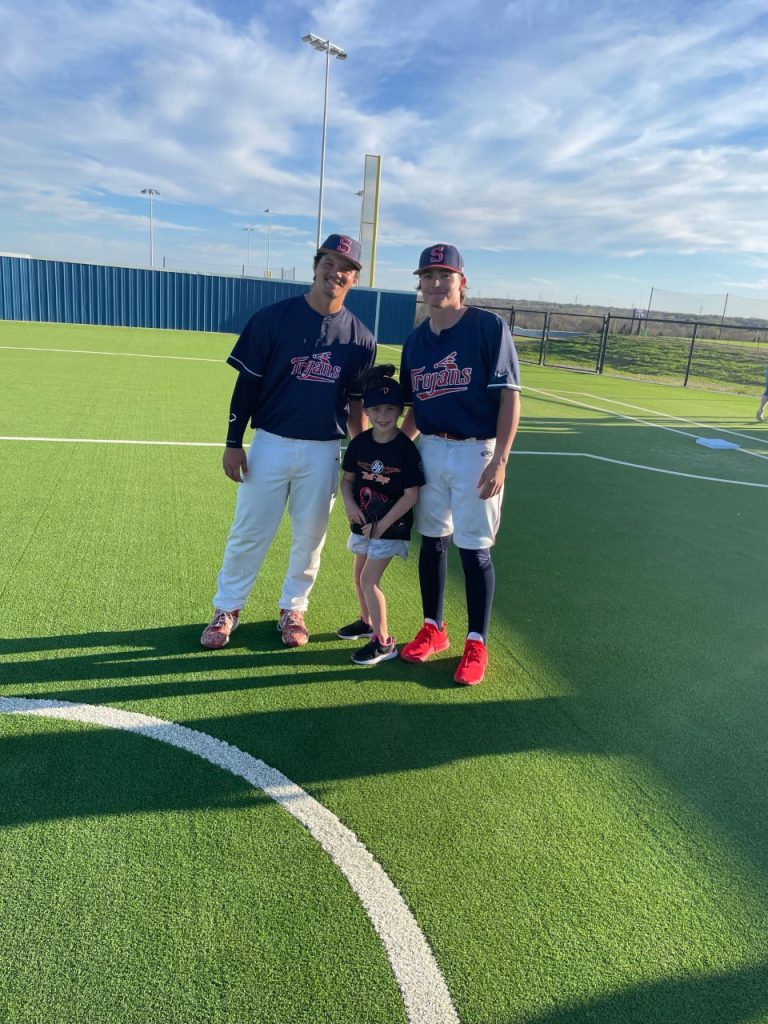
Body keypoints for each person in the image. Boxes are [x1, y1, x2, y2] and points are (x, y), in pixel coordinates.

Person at [200, 234, 376, 650]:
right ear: (315, 265)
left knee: (310, 536)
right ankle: (227, 608)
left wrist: (366, 454)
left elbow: (355, 407)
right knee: (248, 532)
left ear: (355, 278)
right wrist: (232, 441)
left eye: (346, 268)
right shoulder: (272, 318)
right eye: (329, 262)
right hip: (271, 442)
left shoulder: (360, 338)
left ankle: (293, 609)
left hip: (322, 449)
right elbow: (246, 387)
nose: (336, 272)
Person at [398, 243, 521, 685]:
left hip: (477, 450)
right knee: (432, 542)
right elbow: (413, 409)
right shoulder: (415, 341)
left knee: (474, 549)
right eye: (427, 276)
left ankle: (476, 641)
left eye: (444, 276)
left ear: (461, 282)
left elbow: (510, 396)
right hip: (430, 447)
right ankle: (434, 628)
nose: (434, 283)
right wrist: (392, 450)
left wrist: (501, 460)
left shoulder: (489, 327)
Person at [337, 365, 425, 666]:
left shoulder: (405, 449)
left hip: (390, 527)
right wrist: (350, 505)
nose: (383, 415)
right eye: (376, 408)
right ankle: (366, 622)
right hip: (362, 525)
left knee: (369, 580)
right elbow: (347, 480)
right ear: (367, 411)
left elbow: (411, 494)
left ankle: (384, 641)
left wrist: (383, 525)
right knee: (358, 575)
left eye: (390, 408)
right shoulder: (360, 442)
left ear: (400, 411)